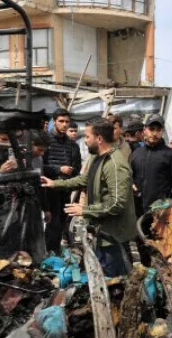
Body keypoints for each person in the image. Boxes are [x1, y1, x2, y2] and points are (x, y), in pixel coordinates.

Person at [41, 118, 137, 277]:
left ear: (99, 139)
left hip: (114, 237)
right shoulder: (97, 157)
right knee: (100, 276)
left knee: (116, 280)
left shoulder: (115, 164)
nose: (85, 141)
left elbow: (116, 203)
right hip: (102, 233)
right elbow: (85, 179)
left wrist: (85, 210)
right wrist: (55, 183)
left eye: (87, 137)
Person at [43, 109, 84, 254]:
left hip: (65, 189)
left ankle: (55, 252)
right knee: (52, 223)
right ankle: (48, 253)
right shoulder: (45, 141)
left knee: (62, 222)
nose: (64, 124)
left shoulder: (72, 145)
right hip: (49, 189)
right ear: (54, 122)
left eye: (67, 122)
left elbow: (77, 167)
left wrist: (73, 176)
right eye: (61, 121)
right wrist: (59, 169)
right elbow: (39, 166)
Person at [130, 114, 172, 213]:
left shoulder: (171, 155)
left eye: (158, 130)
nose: (154, 133)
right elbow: (129, 177)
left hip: (161, 212)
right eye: (151, 129)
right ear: (144, 130)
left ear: (162, 131)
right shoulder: (137, 153)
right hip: (138, 210)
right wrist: (132, 184)